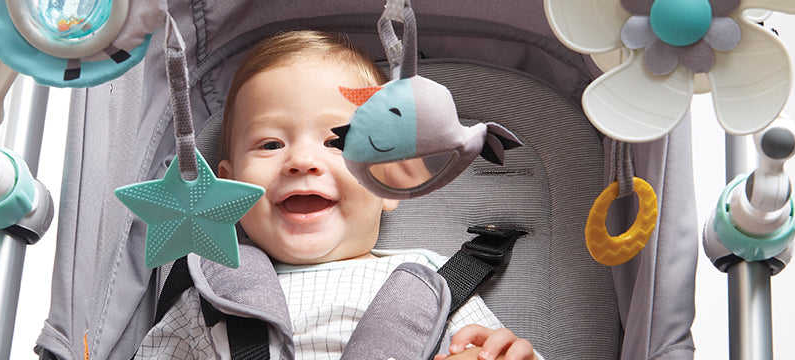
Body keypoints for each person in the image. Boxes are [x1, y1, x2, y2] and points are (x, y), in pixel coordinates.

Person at [136, 30, 540, 360]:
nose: (301, 161)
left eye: (336, 142)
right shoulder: (209, 293)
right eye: (271, 144)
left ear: (391, 179)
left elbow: (490, 350)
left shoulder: (434, 283)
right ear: (230, 187)